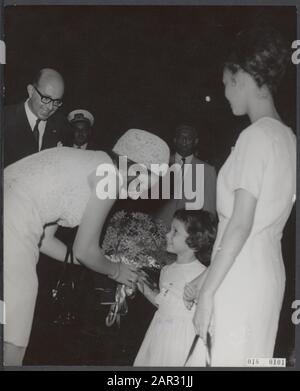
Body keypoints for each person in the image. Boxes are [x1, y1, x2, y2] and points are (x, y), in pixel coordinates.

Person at [3, 128, 170, 366]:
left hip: (11, 212)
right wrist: (116, 270)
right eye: (155, 180)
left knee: (5, 309)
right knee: (16, 321)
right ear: (139, 169)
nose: (150, 190)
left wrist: (88, 260)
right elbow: (85, 250)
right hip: (12, 218)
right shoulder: (110, 178)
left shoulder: (91, 162)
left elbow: (46, 241)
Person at [184, 27, 296, 366]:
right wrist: (204, 277)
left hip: (241, 276)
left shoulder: (254, 136)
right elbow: (257, 225)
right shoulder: (289, 138)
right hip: (267, 274)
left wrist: (206, 293)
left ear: (243, 77)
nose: (225, 93)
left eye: (225, 83)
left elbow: (241, 224)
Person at [134, 209, 216, 367]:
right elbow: (164, 304)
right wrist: (142, 285)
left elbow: (208, 310)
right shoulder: (166, 271)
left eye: (175, 231)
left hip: (181, 341)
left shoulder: (202, 274)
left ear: (194, 240)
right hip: (158, 336)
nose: (167, 235)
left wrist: (197, 298)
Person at [4, 68, 68, 167]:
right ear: (31, 91)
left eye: (57, 102)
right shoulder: (5, 118)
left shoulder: (61, 125)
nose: (50, 107)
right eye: (46, 98)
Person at [156, 124, 216, 228]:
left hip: (188, 234)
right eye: (181, 137)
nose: (184, 140)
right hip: (158, 230)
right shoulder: (160, 164)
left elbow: (209, 210)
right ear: (175, 140)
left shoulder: (208, 170)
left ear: (195, 141)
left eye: (189, 138)